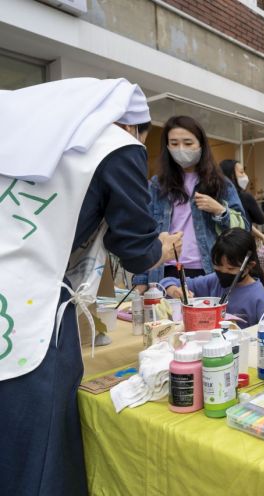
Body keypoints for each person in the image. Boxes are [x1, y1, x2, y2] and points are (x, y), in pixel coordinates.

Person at [0, 78, 183, 495]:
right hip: (28, 318)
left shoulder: (12, 133)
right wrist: (162, 246)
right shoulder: (113, 146)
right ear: (133, 127)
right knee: (38, 457)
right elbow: (136, 252)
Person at [135, 116, 247, 287]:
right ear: (167, 147)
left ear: (201, 145)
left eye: (188, 143)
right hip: (164, 270)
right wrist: (141, 280)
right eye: (174, 143)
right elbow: (145, 232)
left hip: (207, 271)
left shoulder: (220, 183)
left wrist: (220, 211)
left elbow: (243, 229)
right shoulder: (158, 184)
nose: (181, 149)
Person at [162, 228, 264, 326]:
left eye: (230, 269)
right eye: (218, 267)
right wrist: (175, 291)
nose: (223, 272)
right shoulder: (213, 281)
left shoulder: (259, 296)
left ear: (249, 266)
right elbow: (166, 282)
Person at [219, 158, 264, 252]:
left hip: (222, 246)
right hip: (242, 246)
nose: (245, 176)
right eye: (241, 172)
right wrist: (253, 201)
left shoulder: (218, 197)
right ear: (231, 175)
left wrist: (262, 237)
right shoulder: (245, 197)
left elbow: (242, 222)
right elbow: (260, 219)